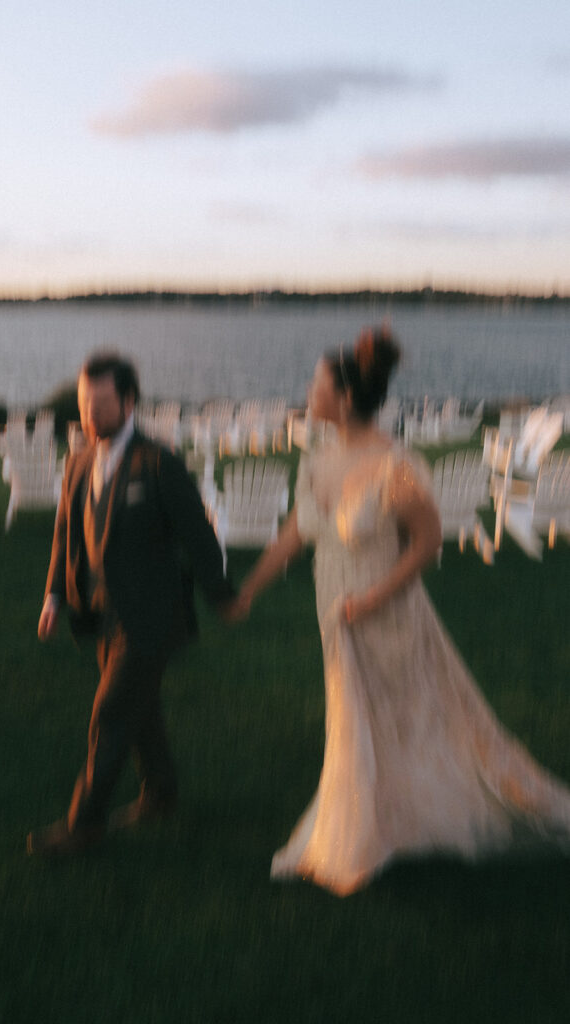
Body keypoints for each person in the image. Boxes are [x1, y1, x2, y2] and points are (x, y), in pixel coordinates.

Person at [228, 327, 570, 896]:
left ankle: (369, 832)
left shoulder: (396, 464)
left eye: (317, 381)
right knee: (355, 717)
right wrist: (249, 590)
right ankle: (378, 819)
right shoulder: (316, 459)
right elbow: (295, 534)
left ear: (341, 395)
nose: (309, 390)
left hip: (384, 611)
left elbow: (427, 542)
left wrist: (371, 600)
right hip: (334, 610)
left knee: (406, 715)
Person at [28, 352, 233, 857]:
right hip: (100, 615)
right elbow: (64, 535)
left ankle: (84, 824)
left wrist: (221, 595)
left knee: (111, 715)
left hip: (151, 619)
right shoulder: (77, 462)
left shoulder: (157, 462)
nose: (89, 416)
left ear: (129, 400)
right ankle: (161, 793)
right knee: (141, 713)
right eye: (83, 404)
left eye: (99, 404)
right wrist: (55, 594)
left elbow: (199, 535)